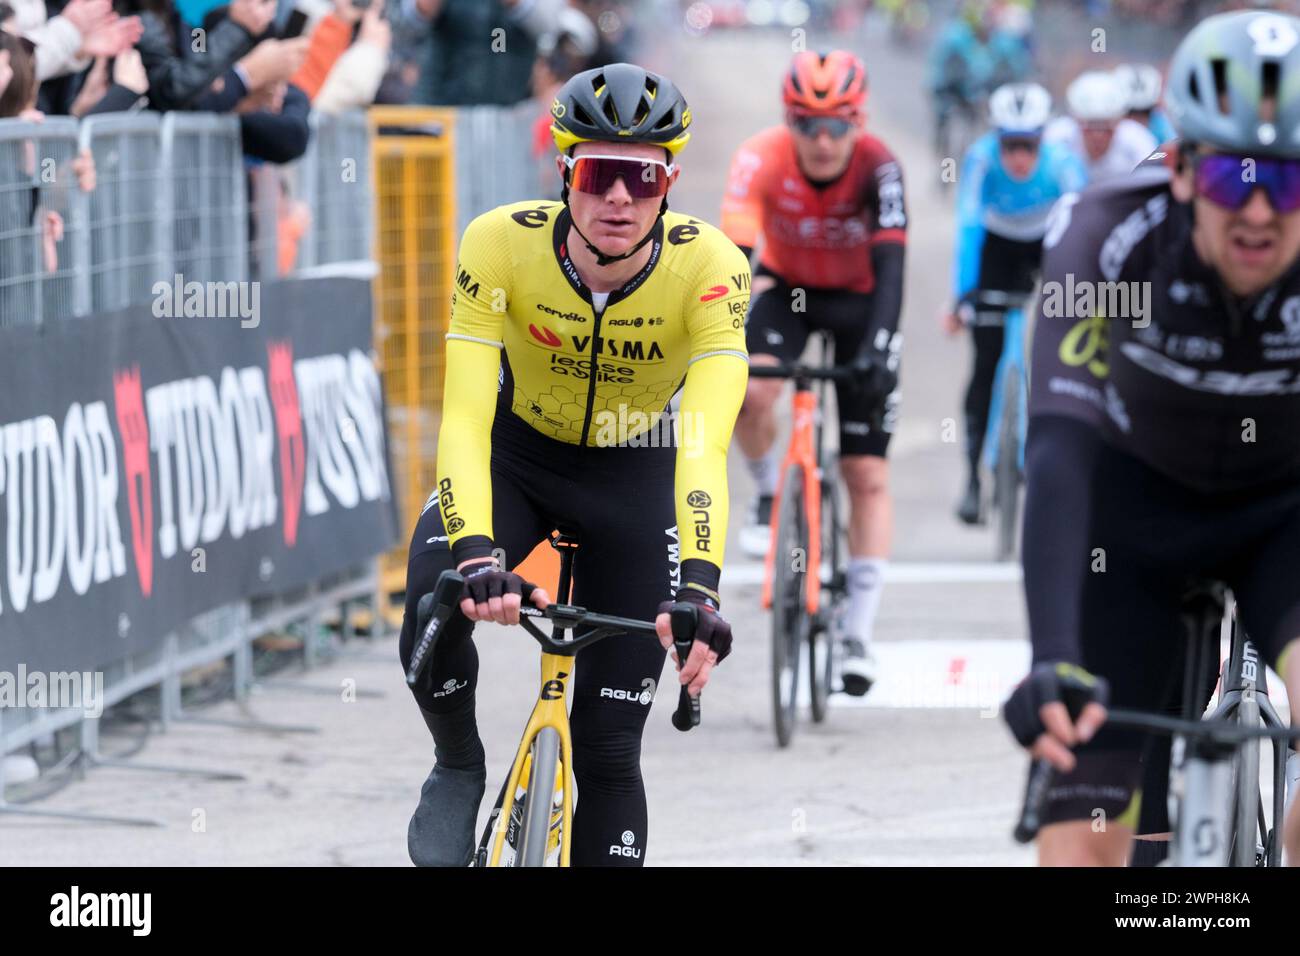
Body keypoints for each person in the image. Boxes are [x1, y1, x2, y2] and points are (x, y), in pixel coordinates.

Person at [399, 62, 749, 867]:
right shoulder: (497, 243)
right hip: (515, 457)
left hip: (635, 480)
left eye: (643, 176)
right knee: (430, 604)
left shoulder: (712, 269)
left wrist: (699, 585)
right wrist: (476, 554)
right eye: (598, 174)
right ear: (565, 173)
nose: (619, 198)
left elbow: (703, 443)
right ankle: (458, 762)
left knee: (608, 745)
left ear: (670, 183)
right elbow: (463, 415)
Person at [1005, 8, 1300, 866]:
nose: (1256, 213)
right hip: (1131, 523)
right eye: (1227, 182)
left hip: (1286, 516)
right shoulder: (1104, 238)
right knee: (1087, 838)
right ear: (1178, 170)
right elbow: (1057, 447)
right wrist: (1051, 657)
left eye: (1284, 184)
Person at [721, 50, 905, 696]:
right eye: (807, 125)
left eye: (837, 126)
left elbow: (892, 267)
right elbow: (736, 257)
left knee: (865, 471)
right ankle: (772, 490)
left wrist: (881, 346)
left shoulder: (880, 165)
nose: (823, 141)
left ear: (859, 122)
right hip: (788, 291)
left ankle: (857, 629)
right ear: (788, 123)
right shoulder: (760, 156)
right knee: (752, 386)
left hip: (860, 302)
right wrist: (719, 333)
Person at [945, 82, 1086, 525]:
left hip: (1049, 243)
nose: (1019, 157)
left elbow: (1081, 227)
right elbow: (969, 224)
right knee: (985, 364)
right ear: (997, 140)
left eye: (1028, 145)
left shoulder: (1064, 164)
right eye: (1010, 145)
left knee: (1061, 353)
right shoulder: (982, 159)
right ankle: (973, 479)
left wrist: (1081, 293)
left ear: (1043, 140)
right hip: (998, 247)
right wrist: (963, 293)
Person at [1044, 70, 1156, 185]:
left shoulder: (1138, 139)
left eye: (1106, 128)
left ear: (1119, 122)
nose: (1098, 135)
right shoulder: (1057, 137)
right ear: (1076, 122)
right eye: (1090, 127)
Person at [1113, 62, 1174, 145]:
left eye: (1145, 112)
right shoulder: (1107, 132)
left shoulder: (1164, 129)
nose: (1138, 121)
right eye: (1131, 113)